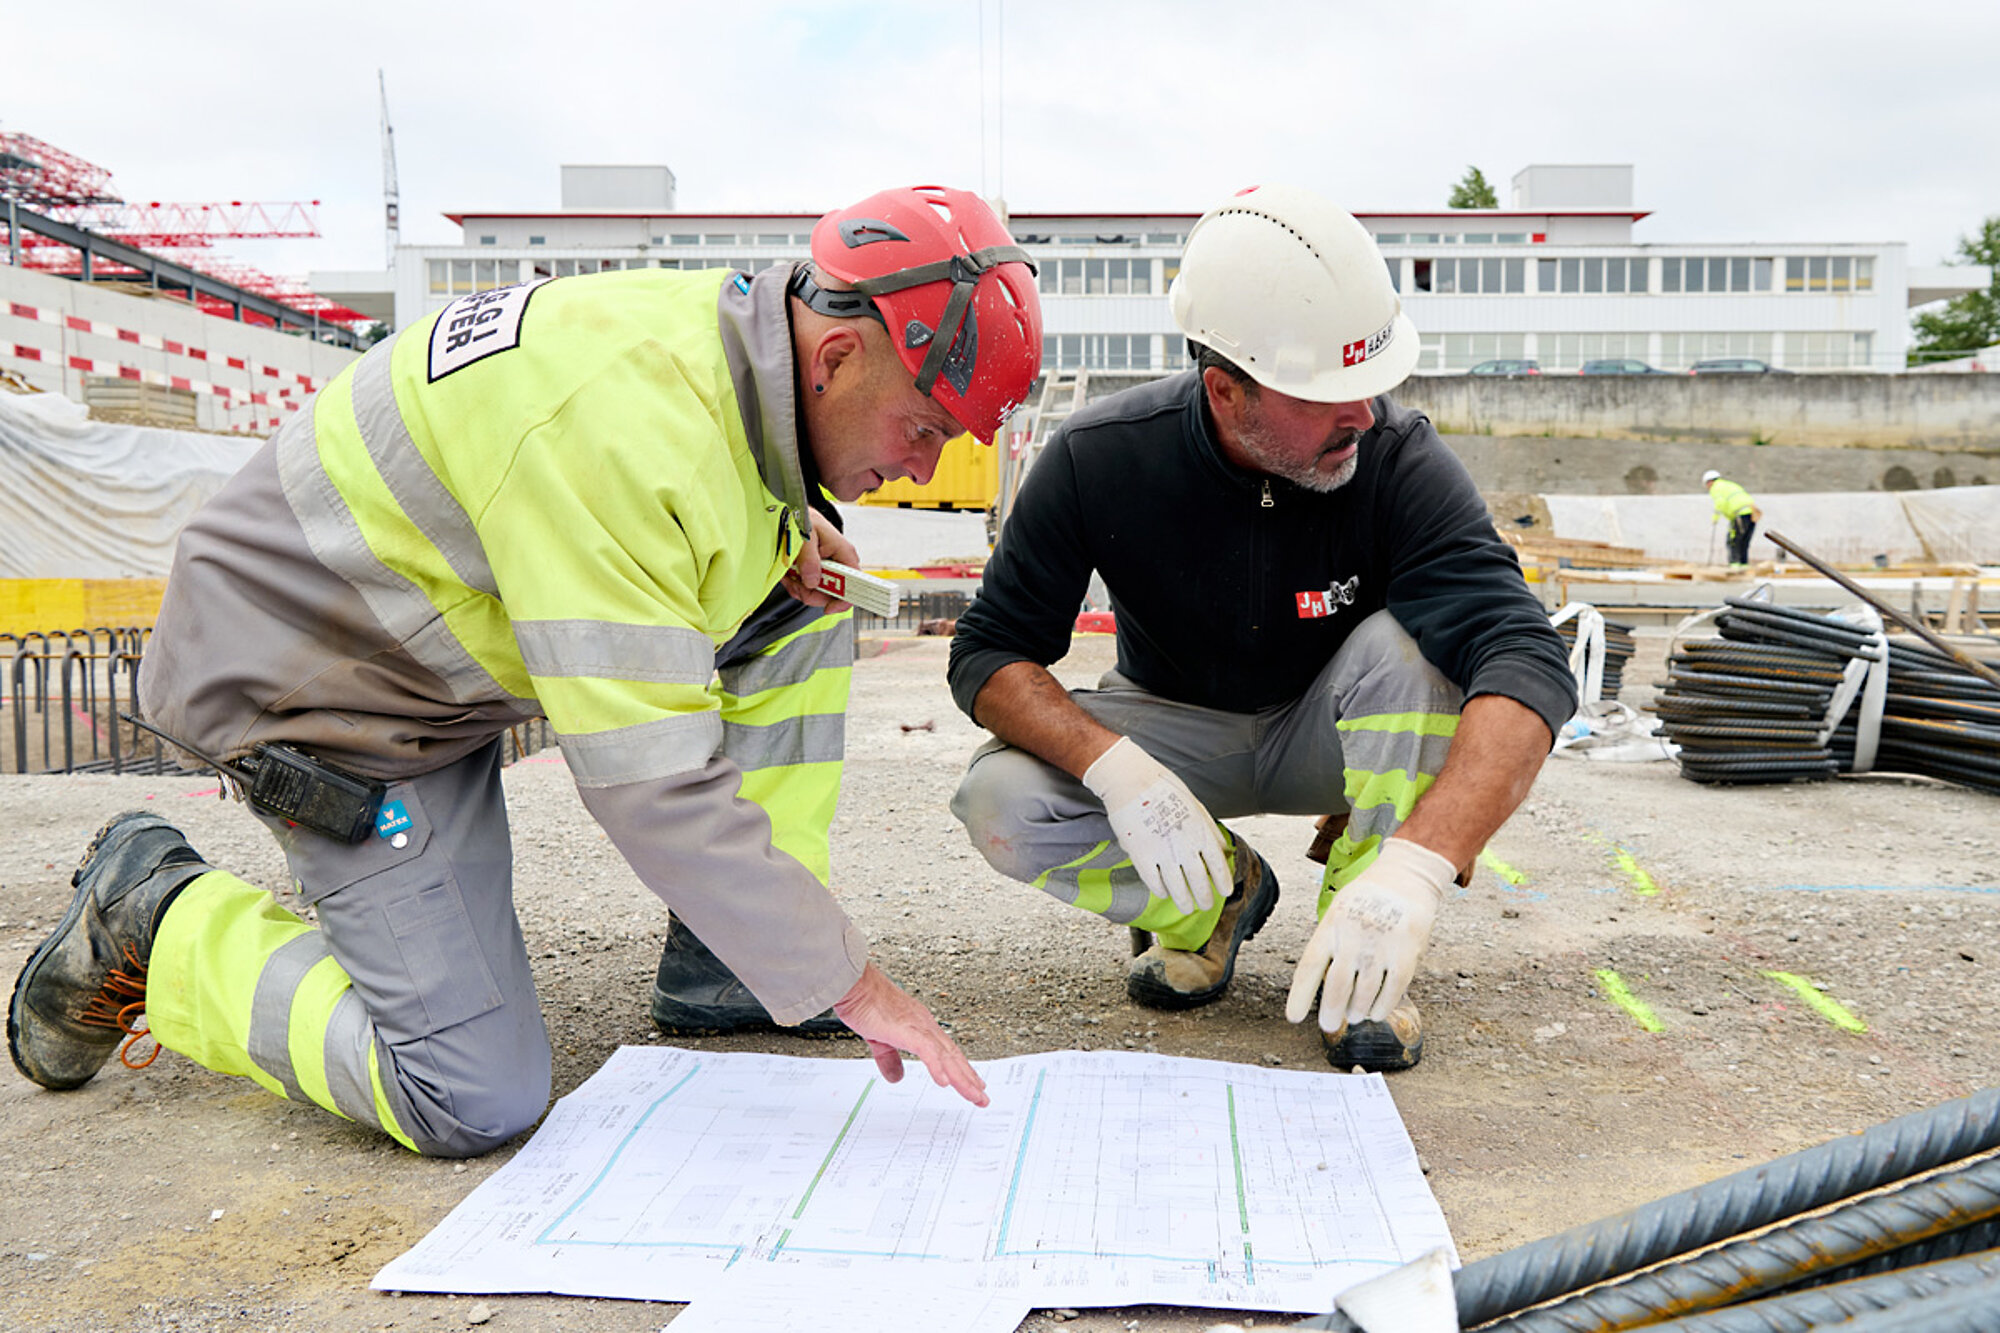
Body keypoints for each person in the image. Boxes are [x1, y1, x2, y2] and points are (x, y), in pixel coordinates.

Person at [7, 184, 1043, 1155]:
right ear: (835, 357)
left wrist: (787, 532)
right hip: (322, 705)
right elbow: (650, 782)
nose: (919, 465)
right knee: (467, 1094)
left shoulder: (726, 353)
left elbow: (689, 497)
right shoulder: (625, 432)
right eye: (923, 429)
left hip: (425, 671)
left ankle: (732, 954)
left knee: (802, 605)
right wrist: (851, 981)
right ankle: (157, 910)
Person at [946, 184, 1576, 1073]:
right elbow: (988, 651)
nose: (1362, 414)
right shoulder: (1102, 458)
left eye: (1372, 385)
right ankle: (1214, 904)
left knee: (1415, 660)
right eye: (1327, 395)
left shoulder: (1395, 459)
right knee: (1001, 802)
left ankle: (1366, 937)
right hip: (1173, 732)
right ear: (1226, 391)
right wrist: (1117, 771)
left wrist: (1422, 863)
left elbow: (1526, 657)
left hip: (1329, 728)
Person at [1702, 469, 1762, 566]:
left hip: (1740, 514)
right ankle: (1743, 565)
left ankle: (1734, 565)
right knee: (1744, 540)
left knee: (1733, 540)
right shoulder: (1730, 484)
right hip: (1752, 512)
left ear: (1709, 482)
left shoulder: (1716, 488)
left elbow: (1720, 503)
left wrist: (1715, 518)